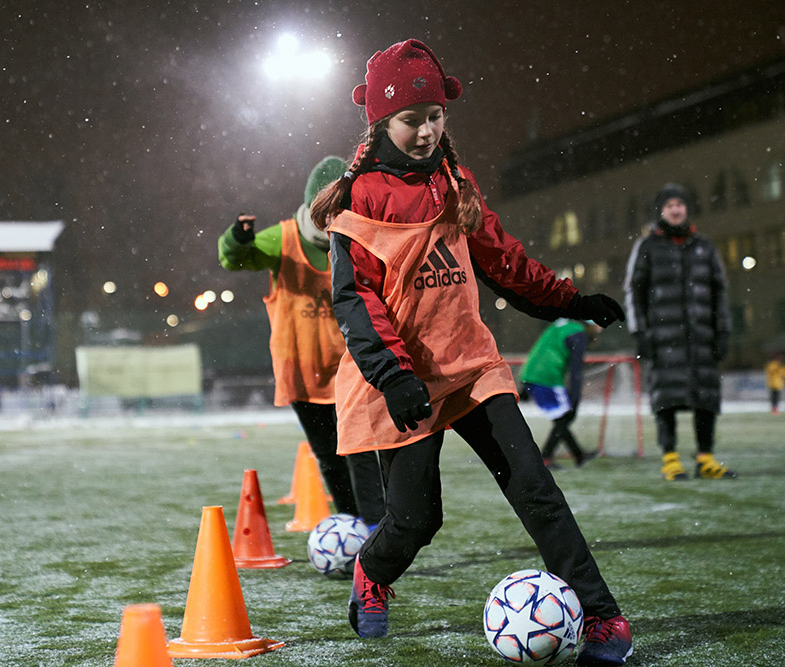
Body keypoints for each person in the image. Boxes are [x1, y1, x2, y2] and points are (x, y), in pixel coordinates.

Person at [310, 39, 632, 666]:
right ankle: (372, 571)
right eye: (411, 119)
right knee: (415, 521)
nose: (427, 130)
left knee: (535, 486)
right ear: (381, 120)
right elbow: (357, 301)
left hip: (472, 366)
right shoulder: (361, 199)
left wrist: (572, 300)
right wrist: (395, 376)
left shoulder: (455, 182)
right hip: (401, 380)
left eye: (436, 115)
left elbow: (503, 262)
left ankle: (603, 619)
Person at [218, 156, 385, 529]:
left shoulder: (359, 241)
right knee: (328, 454)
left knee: (360, 449)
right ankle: (351, 523)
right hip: (301, 370)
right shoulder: (284, 237)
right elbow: (233, 260)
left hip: (349, 368)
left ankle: (376, 529)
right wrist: (238, 239)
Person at [624, 182, 735, 481]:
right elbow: (633, 291)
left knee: (706, 399)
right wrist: (640, 333)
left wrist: (722, 331)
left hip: (702, 339)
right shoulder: (647, 246)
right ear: (662, 211)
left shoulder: (704, 246)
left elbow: (719, 292)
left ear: (686, 209)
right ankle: (670, 459)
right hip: (663, 340)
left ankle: (705, 458)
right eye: (669, 205)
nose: (675, 209)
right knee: (666, 400)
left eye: (680, 204)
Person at [519, 319, 603, 469]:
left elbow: (541, 349)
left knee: (560, 418)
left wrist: (525, 386)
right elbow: (575, 370)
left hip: (530, 373)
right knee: (565, 416)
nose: (600, 329)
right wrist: (575, 397)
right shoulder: (579, 334)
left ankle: (578, 455)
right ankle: (546, 457)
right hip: (546, 378)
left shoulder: (563, 324)